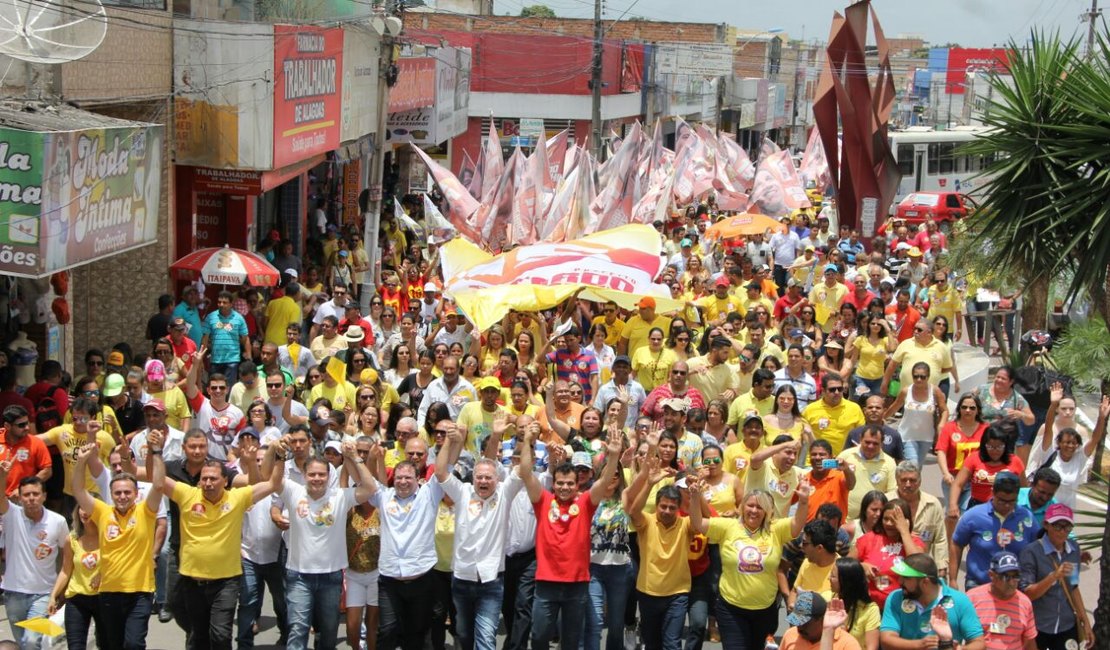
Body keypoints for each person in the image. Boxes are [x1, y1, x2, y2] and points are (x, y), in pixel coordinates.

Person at [160, 434, 283, 650]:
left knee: (220, 635)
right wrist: (154, 451)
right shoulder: (187, 494)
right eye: (204, 479)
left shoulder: (237, 498)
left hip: (225, 582)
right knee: (199, 637)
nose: (208, 483)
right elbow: (159, 480)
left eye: (213, 479)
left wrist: (280, 455)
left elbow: (273, 483)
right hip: (192, 580)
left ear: (225, 482)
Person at [518, 421, 622, 650]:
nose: (564, 488)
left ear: (577, 486)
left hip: (577, 584)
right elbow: (525, 473)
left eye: (569, 484)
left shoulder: (585, 503)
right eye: (560, 483)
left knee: (571, 642)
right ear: (553, 485)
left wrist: (613, 456)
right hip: (546, 583)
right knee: (539, 637)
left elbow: (605, 482)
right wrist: (527, 441)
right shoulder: (543, 501)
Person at [687, 479, 809, 648]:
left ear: (767, 511)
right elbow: (698, 523)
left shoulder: (775, 529)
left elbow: (797, 525)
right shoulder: (728, 526)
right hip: (731, 608)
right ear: (742, 507)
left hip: (764, 610)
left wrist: (803, 502)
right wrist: (694, 497)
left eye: (759, 507)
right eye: (750, 505)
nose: (753, 510)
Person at [73, 430, 166, 650]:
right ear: (111, 495)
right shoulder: (102, 512)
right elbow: (78, 490)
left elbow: (159, 485)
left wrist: (157, 451)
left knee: (133, 644)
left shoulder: (146, 511)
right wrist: (81, 462)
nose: (122, 496)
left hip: (140, 593)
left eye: (127, 492)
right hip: (108, 594)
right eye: (117, 493)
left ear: (135, 494)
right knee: (112, 645)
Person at [436, 418, 522, 650]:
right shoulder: (462, 492)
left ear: (497, 479)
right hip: (462, 577)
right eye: (479, 477)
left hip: (492, 580)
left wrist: (525, 439)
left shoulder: (505, 493)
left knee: (485, 637)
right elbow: (440, 471)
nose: (483, 481)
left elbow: (523, 469)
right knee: (464, 635)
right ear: (473, 478)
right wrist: (448, 443)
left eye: (488, 477)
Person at [282, 440, 376, 650]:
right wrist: (275, 451)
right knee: (298, 629)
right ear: (304, 475)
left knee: (329, 632)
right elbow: (271, 477)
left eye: (322, 474)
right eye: (312, 474)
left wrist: (355, 458)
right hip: (299, 576)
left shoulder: (340, 496)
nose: (317, 479)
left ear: (329, 476)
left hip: (331, 577)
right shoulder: (293, 491)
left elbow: (370, 488)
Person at [627, 448, 694, 650]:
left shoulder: (686, 524)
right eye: (663, 506)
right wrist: (649, 483)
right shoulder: (646, 522)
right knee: (652, 643)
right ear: (656, 506)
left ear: (678, 508)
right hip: (648, 593)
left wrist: (695, 494)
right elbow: (633, 511)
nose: (666, 511)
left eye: (672, 507)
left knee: (672, 643)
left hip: (678, 594)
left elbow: (704, 520)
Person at [0, 471, 68, 649]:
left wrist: (60, 591)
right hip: (13, 594)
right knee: (24, 645)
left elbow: (66, 559)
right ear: (20, 498)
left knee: (31, 641)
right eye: (26, 494)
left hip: (43, 595)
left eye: (35, 494)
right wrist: (3, 476)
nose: (31, 498)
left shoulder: (58, 522)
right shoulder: (12, 515)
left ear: (44, 496)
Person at [1018, 504, 1092, 650]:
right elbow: (1028, 594)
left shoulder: (1073, 550)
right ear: (1046, 525)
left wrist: (1086, 623)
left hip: (1066, 624)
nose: (1063, 532)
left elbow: (1073, 587)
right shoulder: (1031, 552)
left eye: (1067, 527)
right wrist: (1053, 577)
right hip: (1038, 626)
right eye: (1058, 526)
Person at [879, 553, 985, 650]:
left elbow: (979, 642)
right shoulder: (896, 597)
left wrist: (959, 649)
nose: (900, 581)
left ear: (925, 582)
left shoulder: (959, 600)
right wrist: (919, 645)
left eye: (906, 578)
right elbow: (886, 639)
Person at [950, 471, 1037, 590]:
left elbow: (1036, 548)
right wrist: (953, 579)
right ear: (992, 493)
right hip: (978, 584)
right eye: (1001, 501)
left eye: (1011, 502)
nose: (1006, 506)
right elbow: (956, 544)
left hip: (1014, 587)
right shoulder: (973, 516)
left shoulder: (1027, 518)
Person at [1032, 386, 1108, 508]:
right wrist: (1053, 405)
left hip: (1065, 515)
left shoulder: (1079, 459)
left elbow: (1094, 439)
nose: (1070, 446)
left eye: (1074, 443)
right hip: (1043, 510)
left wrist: (1102, 417)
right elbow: (1048, 430)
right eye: (1067, 443)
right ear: (1058, 443)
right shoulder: (1050, 453)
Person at [50, 502, 104, 650]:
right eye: (81, 508)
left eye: (89, 509)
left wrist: (102, 574)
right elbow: (65, 570)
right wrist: (54, 595)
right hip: (76, 598)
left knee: (107, 644)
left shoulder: (108, 537)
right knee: (75, 646)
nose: (84, 513)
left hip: (104, 597)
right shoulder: (72, 538)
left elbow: (118, 564)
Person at [852, 498, 924, 608]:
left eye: (894, 520)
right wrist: (861, 566)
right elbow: (843, 566)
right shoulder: (868, 539)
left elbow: (917, 566)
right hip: (870, 608)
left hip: (903, 607)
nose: (889, 523)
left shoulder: (914, 542)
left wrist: (904, 532)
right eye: (885, 519)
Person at [888, 461, 949, 577]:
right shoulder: (886, 501)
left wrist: (942, 567)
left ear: (920, 481)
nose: (908, 484)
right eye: (903, 480)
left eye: (912, 480)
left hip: (922, 569)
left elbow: (940, 539)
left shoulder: (933, 504)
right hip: (892, 565)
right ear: (896, 480)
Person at [948, 423, 1027, 514]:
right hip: (978, 507)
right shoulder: (974, 458)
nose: (995, 451)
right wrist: (953, 505)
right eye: (990, 447)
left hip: (1006, 509)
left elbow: (1024, 490)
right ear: (984, 445)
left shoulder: (1015, 461)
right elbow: (958, 484)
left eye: (999, 447)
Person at [966, 551, 1037, 650]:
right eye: (1006, 577)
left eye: (1016, 576)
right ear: (991, 575)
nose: (1012, 582)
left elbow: (1029, 641)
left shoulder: (1024, 602)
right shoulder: (972, 598)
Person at [884, 362, 948, 468]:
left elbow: (944, 410)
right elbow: (894, 407)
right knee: (913, 465)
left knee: (918, 467)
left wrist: (941, 424)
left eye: (922, 377)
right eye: (916, 376)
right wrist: (882, 419)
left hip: (927, 437)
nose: (919, 379)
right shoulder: (906, 391)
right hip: (907, 436)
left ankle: (906, 483)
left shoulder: (935, 391)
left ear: (928, 377)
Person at [837, 425, 896, 518]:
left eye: (875, 443)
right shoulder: (846, 455)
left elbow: (893, 493)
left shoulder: (889, 463)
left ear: (882, 443)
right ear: (860, 439)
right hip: (843, 519)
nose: (870, 446)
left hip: (872, 522)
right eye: (867, 442)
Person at [803, 373, 865, 456]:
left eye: (840, 389)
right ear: (823, 391)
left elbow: (861, 436)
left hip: (843, 461)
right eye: (832, 389)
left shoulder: (855, 408)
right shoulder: (810, 410)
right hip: (817, 461)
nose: (836, 392)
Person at [780, 592, 862, 650]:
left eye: (804, 623)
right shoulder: (790, 635)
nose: (799, 627)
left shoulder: (847, 644)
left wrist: (828, 630)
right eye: (796, 622)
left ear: (820, 619)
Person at [0, 405, 52, 497]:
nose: (27, 428)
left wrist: (25, 487)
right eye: (21, 425)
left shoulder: (36, 443)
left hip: (21, 499)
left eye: (27, 423)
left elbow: (47, 471)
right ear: (7, 426)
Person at [829, 558, 880, 650]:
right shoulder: (828, 599)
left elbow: (871, 648)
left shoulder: (870, 610)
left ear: (846, 582)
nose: (829, 578)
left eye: (833, 576)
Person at [201, 291, 250, 385]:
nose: (221, 305)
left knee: (228, 388)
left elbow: (245, 337)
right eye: (219, 302)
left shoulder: (239, 318)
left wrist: (248, 354)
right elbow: (205, 338)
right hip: (215, 360)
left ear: (231, 304)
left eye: (224, 302)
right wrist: (201, 358)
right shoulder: (211, 317)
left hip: (232, 360)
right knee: (214, 387)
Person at [844, 395, 905, 463]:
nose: (874, 410)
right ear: (864, 410)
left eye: (878, 408)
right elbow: (845, 458)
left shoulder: (894, 435)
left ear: (884, 411)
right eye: (870, 407)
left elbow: (900, 460)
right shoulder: (854, 434)